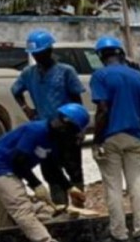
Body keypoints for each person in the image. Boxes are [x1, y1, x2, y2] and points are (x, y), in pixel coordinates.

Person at [89, 36, 140, 242]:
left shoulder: (100, 76)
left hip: (111, 136)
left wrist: (96, 141)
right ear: (120, 53)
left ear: (101, 56)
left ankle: (120, 236)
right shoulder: (139, 77)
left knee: (113, 187)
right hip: (136, 137)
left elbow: (103, 110)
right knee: (137, 185)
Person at [0, 103, 88, 242]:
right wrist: (35, 184)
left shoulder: (52, 139)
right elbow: (18, 160)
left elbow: (51, 166)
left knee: (3, 214)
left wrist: (69, 187)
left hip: (9, 169)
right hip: (2, 168)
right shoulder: (36, 131)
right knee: (22, 210)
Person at [11, 29, 85, 209]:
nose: (37, 58)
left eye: (40, 53)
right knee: (51, 172)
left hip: (67, 131)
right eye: (34, 55)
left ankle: (79, 208)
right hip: (44, 132)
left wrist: (79, 129)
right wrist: (27, 109)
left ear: (49, 51)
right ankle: (60, 207)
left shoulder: (66, 72)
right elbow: (16, 91)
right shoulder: (29, 73)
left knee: (73, 170)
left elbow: (77, 101)